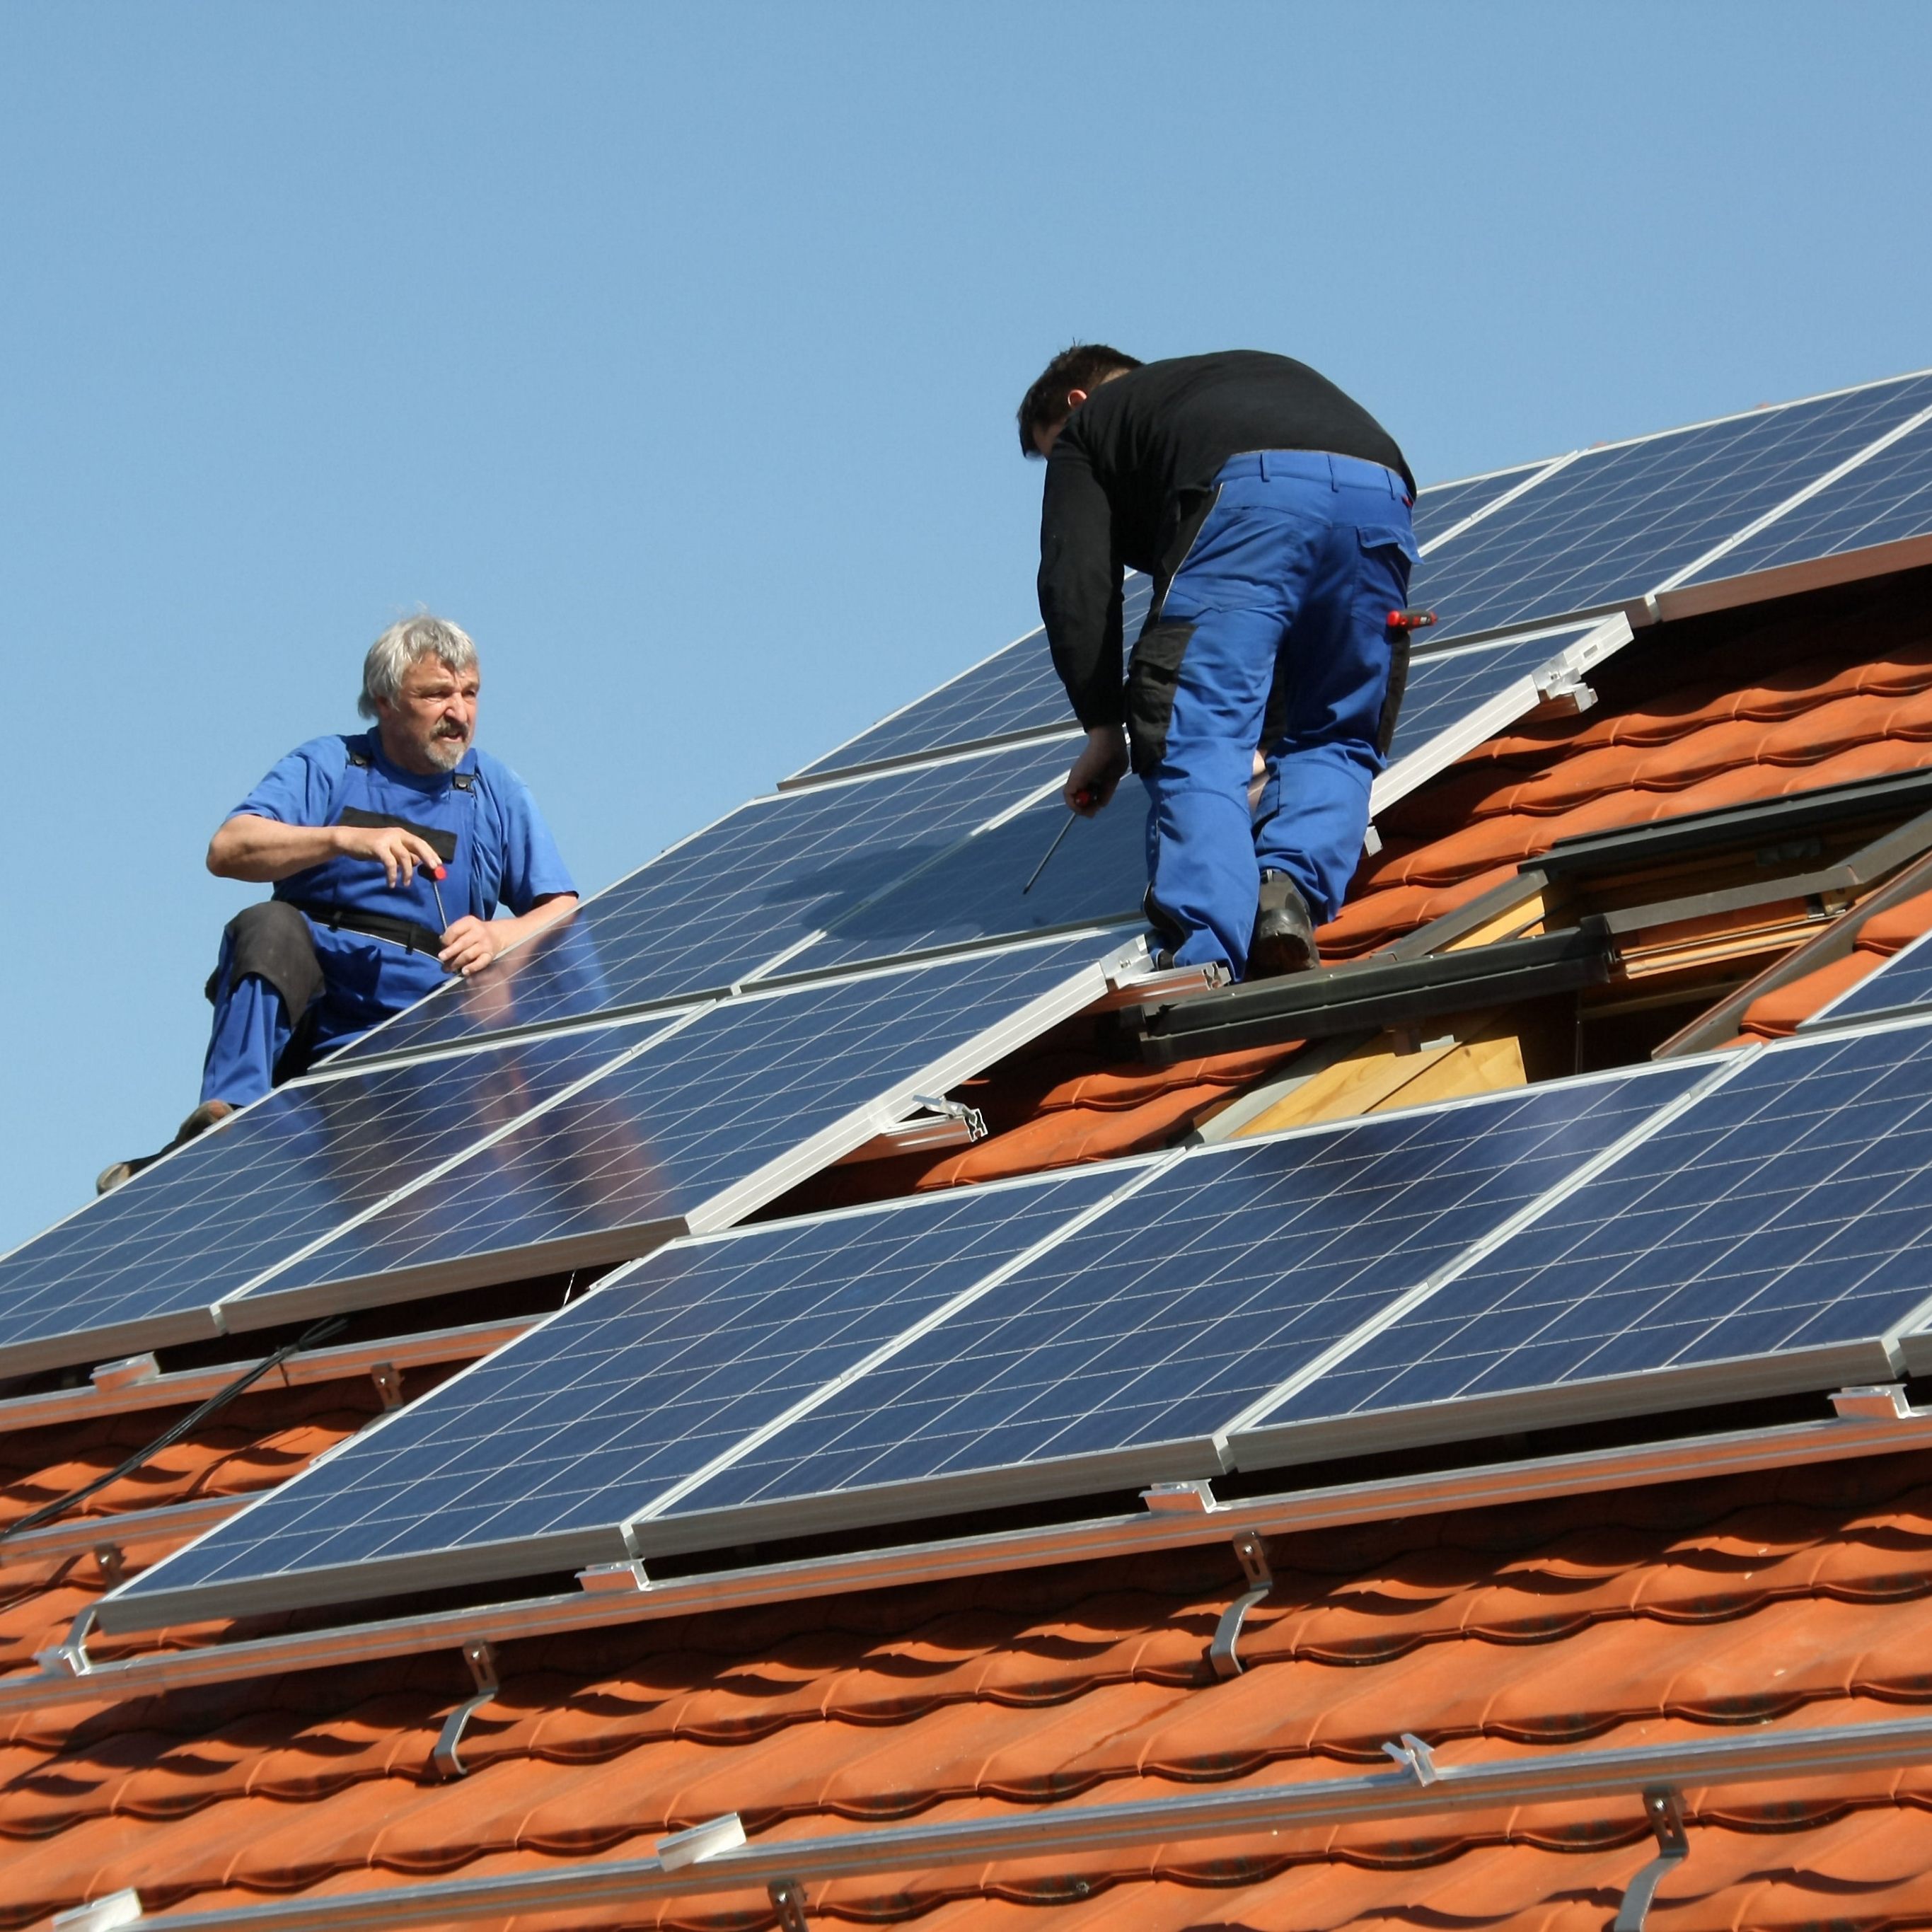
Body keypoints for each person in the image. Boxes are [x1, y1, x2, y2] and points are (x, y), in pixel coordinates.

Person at [98, 615, 579, 1192]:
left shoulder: (490, 788)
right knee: (268, 925)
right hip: (317, 997)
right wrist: (343, 839)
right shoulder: (329, 764)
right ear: (384, 699)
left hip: (424, 1013)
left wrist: (500, 936)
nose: (459, 712)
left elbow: (562, 908)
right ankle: (227, 1123)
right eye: (436, 694)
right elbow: (228, 849)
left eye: (469, 693)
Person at [1019, 346, 1418, 981]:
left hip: (1248, 497)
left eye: (1051, 449)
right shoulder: (1226, 384)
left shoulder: (1091, 426)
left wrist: (1102, 726)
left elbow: (1077, 579)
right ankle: (1283, 893)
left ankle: (1205, 952)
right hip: (1381, 494)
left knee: (1192, 730)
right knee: (1336, 731)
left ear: (1076, 402)